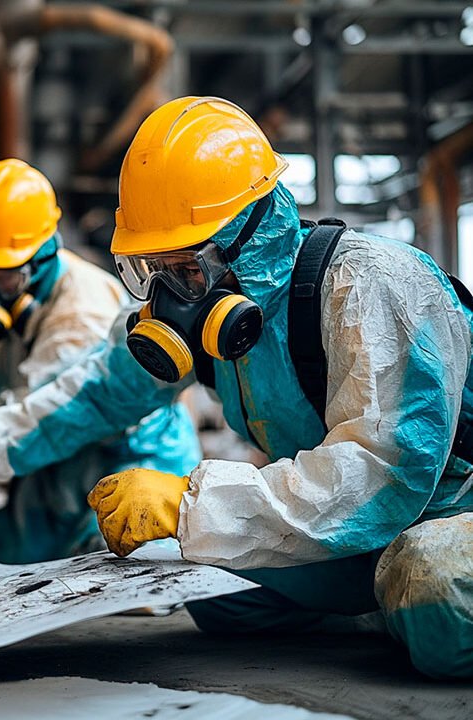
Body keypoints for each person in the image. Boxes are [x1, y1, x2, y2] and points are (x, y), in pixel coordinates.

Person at [78, 95, 473, 679]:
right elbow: (95, 390)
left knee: (430, 584)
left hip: (443, 515)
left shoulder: (374, 287)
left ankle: (400, 607)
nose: (171, 296)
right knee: (214, 591)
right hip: (356, 532)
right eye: (152, 271)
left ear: (254, 235)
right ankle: (379, 610)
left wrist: (191, 503)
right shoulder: (233, 321)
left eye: (187, 269)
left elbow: (379, 473)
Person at [0, 158, 200, 565]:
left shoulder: (78, 314)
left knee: (121, 594)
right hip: (58, 465)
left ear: (41, 261)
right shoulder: (30, 306)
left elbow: (47, 413)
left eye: (0, 277)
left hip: (128, 464)